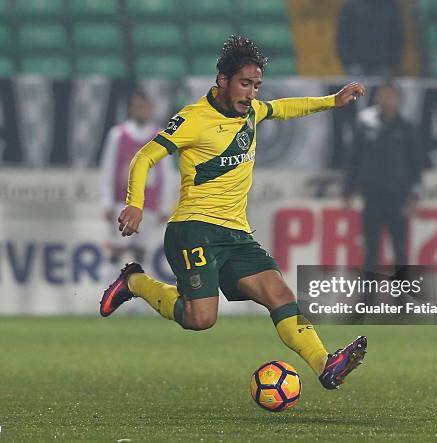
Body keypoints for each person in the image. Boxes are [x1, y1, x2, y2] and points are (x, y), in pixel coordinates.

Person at [99, 36, 368, 390]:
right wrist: (135, 203)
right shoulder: (194, 119)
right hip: (194, 229)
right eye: (245, 84)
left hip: (236, 234)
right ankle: (134, 281)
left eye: (256, 86)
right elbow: (144, 157)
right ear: (222, 80)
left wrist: (332, 101)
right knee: (201, 319)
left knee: (280, 295)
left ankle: (325, 365)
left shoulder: (252, 112)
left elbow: (285, 107)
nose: (251, 93)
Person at [343, 80, 422, 272]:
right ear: (377, 97)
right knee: (371, 251)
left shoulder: (407, 127)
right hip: (372, 197)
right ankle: (368, 300)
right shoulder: (365, 123)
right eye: (384, 95)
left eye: (392, 96)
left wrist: (415, 194)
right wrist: (348, 190)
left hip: (398, 197)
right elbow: (354, 159)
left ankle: (402, 300)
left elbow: (416, 164)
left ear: (399, 99)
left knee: (400, 252)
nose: (388, 100)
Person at [100, 90, 178, 280]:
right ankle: (108, 294)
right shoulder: (118, 134)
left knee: (141, 252)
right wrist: (107, 202)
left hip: (149, 203)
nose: (140, 110)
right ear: (131, 109)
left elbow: (167, 174)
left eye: (144, 107)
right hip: (123, 201)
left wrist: (165, 206)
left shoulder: (160, 136)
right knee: (118, 248)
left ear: (150, 109)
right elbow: (108, 169)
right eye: (137, 107)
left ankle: (138, 300)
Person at [336, 0, 404, 76]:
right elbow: (343, 36)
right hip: (356, 66)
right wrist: (349, 62)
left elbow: (397, 36)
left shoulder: (391, 6)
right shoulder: (350, 6)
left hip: (384, 66)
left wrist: (392, 63)